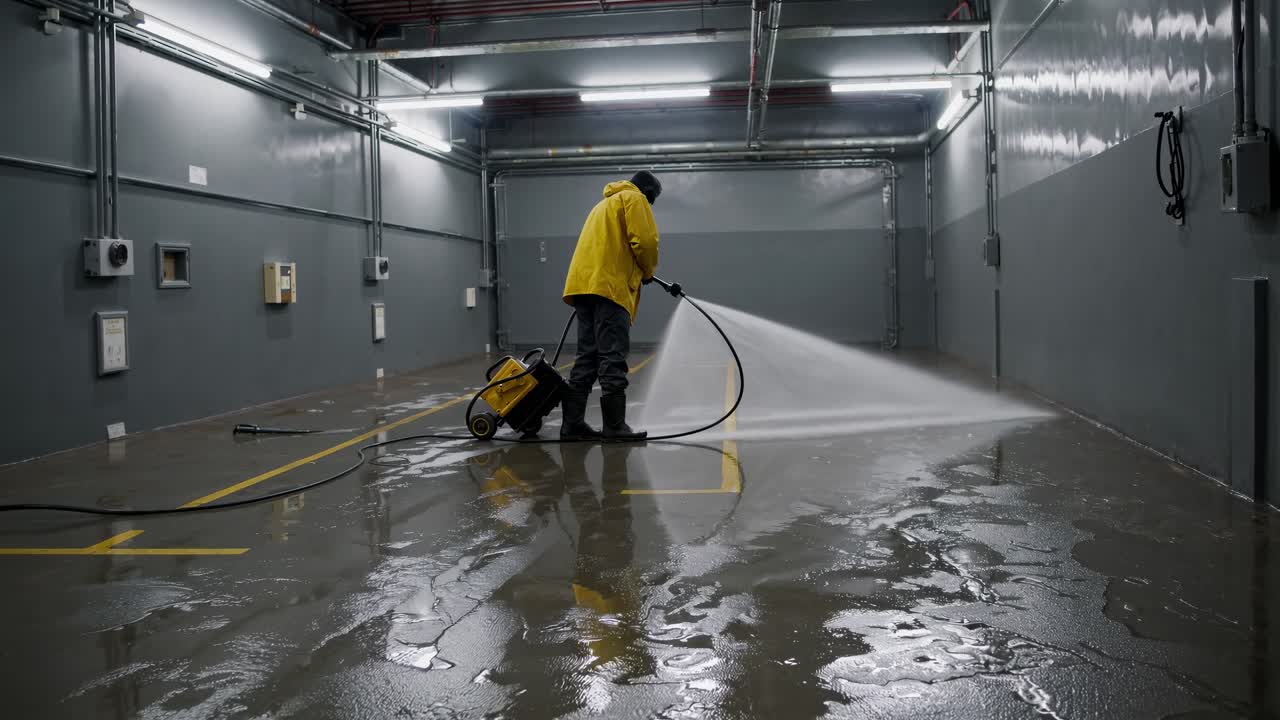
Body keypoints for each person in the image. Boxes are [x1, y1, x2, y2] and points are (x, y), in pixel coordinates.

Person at [560, 170, 662, 441]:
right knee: (612, 357)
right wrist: (647, 271)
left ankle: (572, 426)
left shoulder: (603, 205)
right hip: (610, 288)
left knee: (587, 357)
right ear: (648, 190)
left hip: (584, 287)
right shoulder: (634, 199)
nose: (650, 203)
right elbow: (646, 242)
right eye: (653, 198)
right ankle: (615, 426)